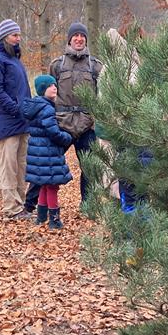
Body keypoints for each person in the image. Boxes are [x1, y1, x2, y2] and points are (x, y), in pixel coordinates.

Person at [48, 22, 103, 206]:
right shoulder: (57, 65)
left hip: (87, 125)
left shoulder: (96, 66)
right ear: (70, 39)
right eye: (75, 36)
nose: (79, 39)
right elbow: (48, 95)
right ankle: (37, 204)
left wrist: (97, 120)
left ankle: (87, 204)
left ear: (86, 40)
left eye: (82, 36)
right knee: (48, 163)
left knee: (90, 168)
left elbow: (102, 95)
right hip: (62, 124)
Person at [0, 19, 33, 221]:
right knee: (8, 165)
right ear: (5, 36)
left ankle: (20, 205)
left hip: (23, 121)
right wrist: (15, 109)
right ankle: (11, 207)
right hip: (7, 121)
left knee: (21, 164)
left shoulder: (15, 60)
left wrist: (29, 110)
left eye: (19, 35)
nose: (18, 38)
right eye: (15, 35)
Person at [21, 75, 72, 231]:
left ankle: (41, 217)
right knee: (52, 187)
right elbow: (53, 132)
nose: (54, 87)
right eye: (50, 86)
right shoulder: (47, 108)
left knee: (44, 185)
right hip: (47, 153)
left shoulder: (37, 106)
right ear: (43, 89)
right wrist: (67, 137)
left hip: (39, 152)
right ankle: (54, 220)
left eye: (55, 85)